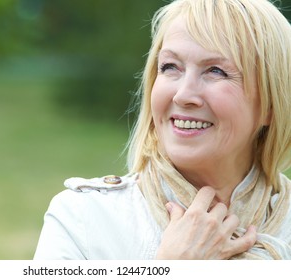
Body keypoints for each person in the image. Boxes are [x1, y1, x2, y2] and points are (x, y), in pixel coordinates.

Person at [34, 0, 291, 259]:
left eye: (216, 71)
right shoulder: (83, 218)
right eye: (170, 67)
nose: (183, 95)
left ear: (271, 104)